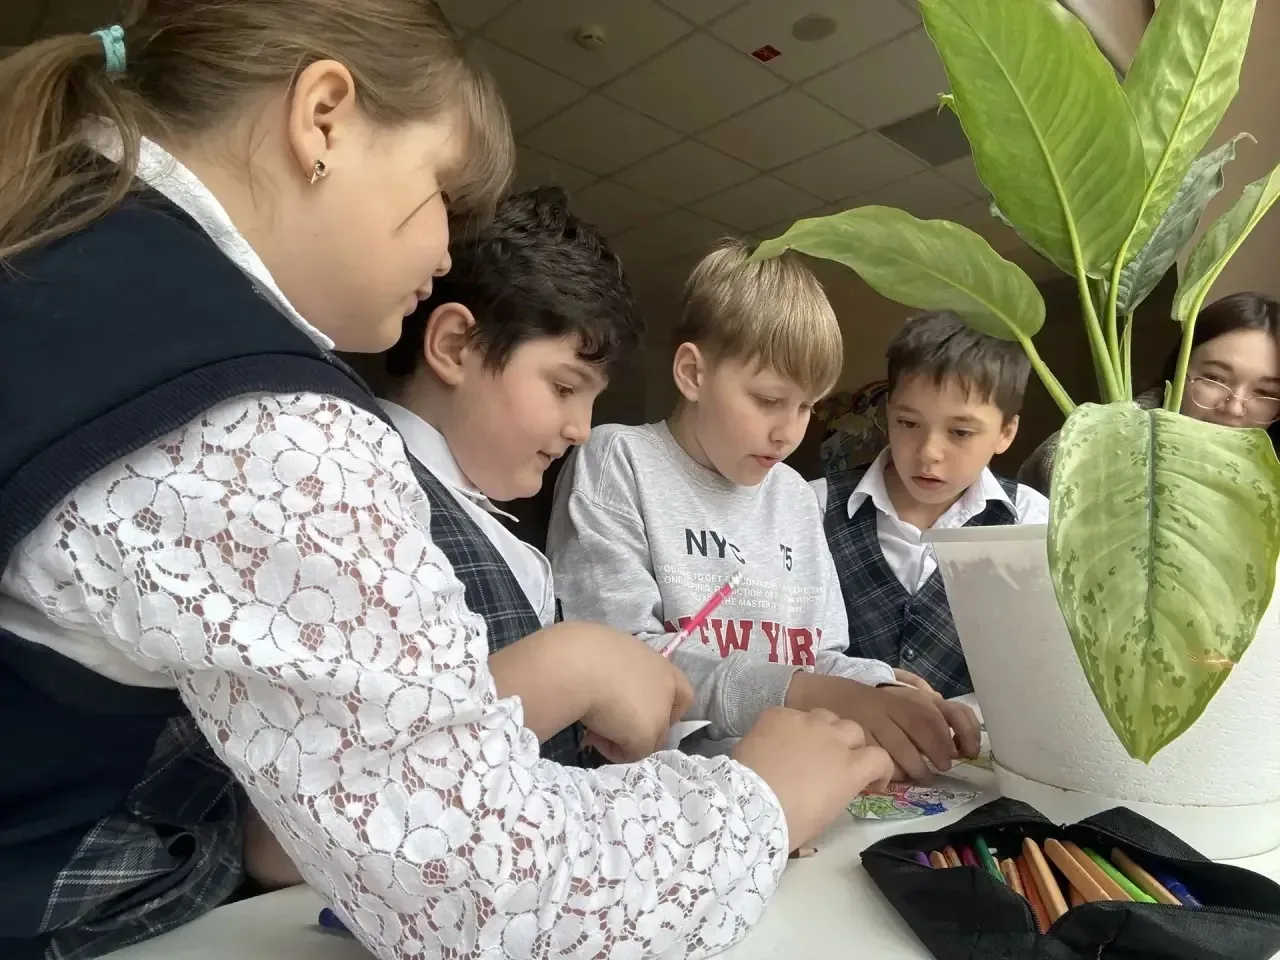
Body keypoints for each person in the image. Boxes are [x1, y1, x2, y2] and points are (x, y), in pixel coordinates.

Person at [0, 7, 894, 960]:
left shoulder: (70, 281)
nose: (442, 255)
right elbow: (480, 897)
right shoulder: (261, 422)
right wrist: (758, 801)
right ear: (323, 116)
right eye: (442, 195)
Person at [548, 240, 979, 778]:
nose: (788, 433)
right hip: (662, 793)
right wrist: (804, 692)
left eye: (806, 407)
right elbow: (617, 664)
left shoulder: (794, 495)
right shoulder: (619, 459)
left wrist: (880, 688)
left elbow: (819, 655)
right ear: (693, 373)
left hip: (790, 782)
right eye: (769, 400)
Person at [378, 185, 642, 766]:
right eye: (565, 387)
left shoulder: (502, 539)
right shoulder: (362, 495)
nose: (582, 430)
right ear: (456, 346)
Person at [813, 311, 1050, 701]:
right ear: (888, 412)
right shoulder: (812, 507)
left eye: (960, 432)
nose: (929, 453)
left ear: (1006, 432)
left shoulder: (1032, 521)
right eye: (909, 424)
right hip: (838, 733)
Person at [1019, 291, 1280, 493]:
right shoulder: (1080, 456)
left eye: (1265, 391)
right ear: (1178, 369)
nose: (1234, 408)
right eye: (1214, 378)